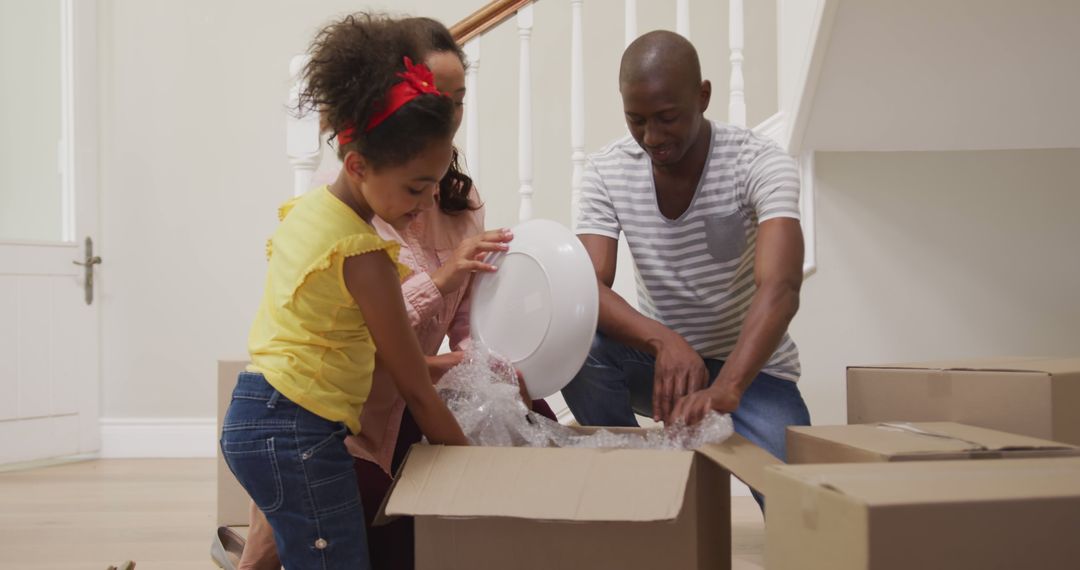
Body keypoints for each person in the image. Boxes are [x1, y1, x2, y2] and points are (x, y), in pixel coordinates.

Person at [227, 16, 557, 570]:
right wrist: (473, 471)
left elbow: (354, 349)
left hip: (260, 413)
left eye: (434, 183)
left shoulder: (308, 214)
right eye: (414, 187)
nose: (427, 200)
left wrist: (465, 364)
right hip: (299, 432)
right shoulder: (363, 255)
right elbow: (414, 385)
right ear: (358, 164)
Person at [562, 30, 811, 491]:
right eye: (635, 120)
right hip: (664, 369)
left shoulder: (759, 162)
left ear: (703, 96)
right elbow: (585, 287)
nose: (651, 137)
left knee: (798, 509)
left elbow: (781, 288)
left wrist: (727, 387)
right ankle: (637, 485)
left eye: (667, 118)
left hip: (754, 372)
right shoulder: (606, 170)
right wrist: (663, 341)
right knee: (579, 347)